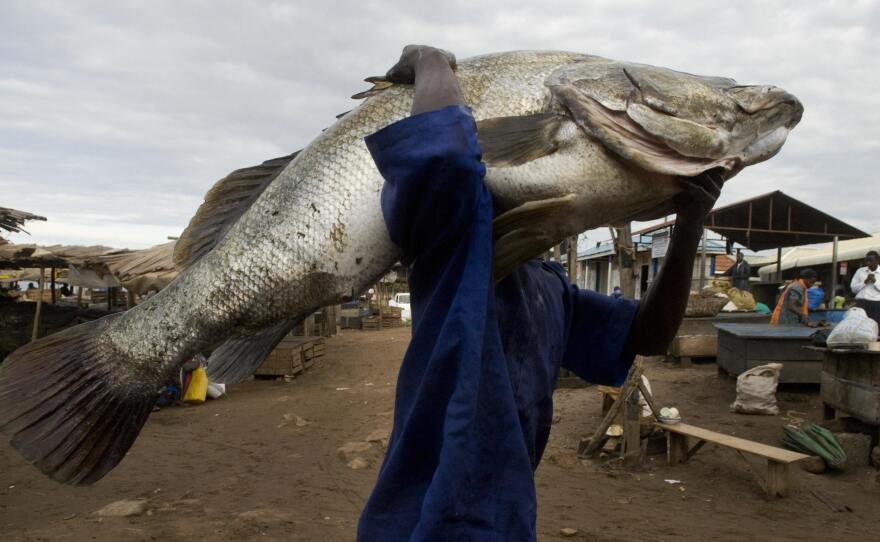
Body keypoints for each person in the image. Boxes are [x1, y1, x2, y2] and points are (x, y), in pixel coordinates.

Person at [357, 45, 724, 541]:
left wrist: (689, 228)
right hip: (424, 519)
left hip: (507, 518)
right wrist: (429, 61)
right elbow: (443, 160)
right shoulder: (453, 252)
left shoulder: (549, 288)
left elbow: (648, 334)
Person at [850, 250, 880, 325]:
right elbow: (853, 289)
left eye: (871, 261)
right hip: (861, 303)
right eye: (866, 261)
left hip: (876, 304)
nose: (868, 263)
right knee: (859, 325)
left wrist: (875, 281)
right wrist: (864, 282)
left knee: (875, 325)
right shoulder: (860, 271)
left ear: (877, 260)